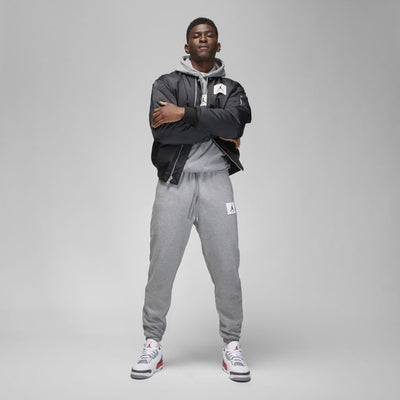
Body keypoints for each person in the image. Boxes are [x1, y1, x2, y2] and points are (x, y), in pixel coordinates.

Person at [130, 17, 252, 383]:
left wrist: (184, 114)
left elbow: (236, 123)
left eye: (209, 35)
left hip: (217, 184)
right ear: (187, 46)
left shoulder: (232, 88)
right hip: (175, 184)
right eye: (196, 36)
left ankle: (232, 345)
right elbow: (163, 133)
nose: (202, 39)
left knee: (227, 266)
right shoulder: (166, 84)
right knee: (162, 265)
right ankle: (152, 343)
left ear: (218, 44)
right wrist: (215, 125)